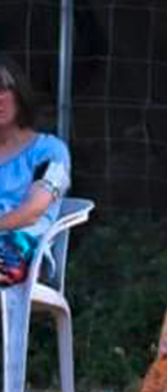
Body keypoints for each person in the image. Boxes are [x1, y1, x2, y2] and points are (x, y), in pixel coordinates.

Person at [0, 54, 71, 286]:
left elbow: (33, 211)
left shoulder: (50, 152)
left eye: (3, 89)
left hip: (20, 250)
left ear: (19, 95)